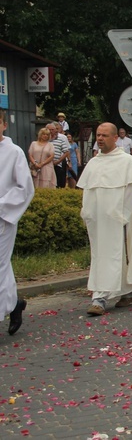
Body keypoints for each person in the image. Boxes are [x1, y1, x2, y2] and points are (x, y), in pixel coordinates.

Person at [78, 122, 132, 316]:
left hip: (117, 217)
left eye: (104, 135)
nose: (100, 138)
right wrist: (86, 212)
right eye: (98, 135)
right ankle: (127, 291)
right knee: (101, 254)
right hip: (97, 219)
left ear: (115, 138)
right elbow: (88, 191)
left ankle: (99, 297)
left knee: (115, 253)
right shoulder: (94, 162)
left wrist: (122, 214)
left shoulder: (126, 161)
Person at [0, 110, 34, 334]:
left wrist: (2, 205)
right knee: (3, 267)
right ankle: (14, 305)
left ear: (3, 125)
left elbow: (25, 188)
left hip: (2, 218)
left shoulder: (13, 152)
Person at [47, 122, 70, 188]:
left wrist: (58, 161)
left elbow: (66, 151)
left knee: (58, 183)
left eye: (52, 129)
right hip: (46, 165)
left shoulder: (61, 138)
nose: (51, 131)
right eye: (49, 130)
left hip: (57, 165)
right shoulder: (44, 139)